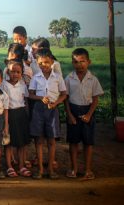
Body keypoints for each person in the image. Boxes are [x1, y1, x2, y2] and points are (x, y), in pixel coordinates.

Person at [64, 48, 104, 180]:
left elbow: (95, 99)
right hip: (73, 111)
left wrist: (89, 114)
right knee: (73, 142)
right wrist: (69, 115)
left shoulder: (93, 79)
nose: (79, 64)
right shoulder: (69, 78)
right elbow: (65, 98)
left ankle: (87, 170)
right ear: (72, 63)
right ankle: (74, 169)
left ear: (89, 62)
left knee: (88, 143)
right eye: (76, 62)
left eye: (82, 61)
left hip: (88, 112)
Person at [28, 48, 67, 179]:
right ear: (37, 63)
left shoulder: (57, 77)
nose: (43, 65)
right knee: (38, 141)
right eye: (40, 63)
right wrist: (40, 98)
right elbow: (31, 94)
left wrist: (56, 103)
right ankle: (40, 169)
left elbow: (64, 94)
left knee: (51, 141)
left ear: (52, 62)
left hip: (52, 109)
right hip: (38, 109)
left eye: (46, 62)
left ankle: (50, 169)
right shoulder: (35, 77)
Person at [1, 60, 32, 178]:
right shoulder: (3, 84)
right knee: (8, 142)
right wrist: (5, 121)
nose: (15, 74)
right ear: (8, 72)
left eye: (18, 72)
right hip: (8, 114)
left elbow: (26, 101)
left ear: (21, 73)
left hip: (21, 115)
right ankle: (9, 166)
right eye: (12, 71)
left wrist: (27, 115)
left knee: (22, 143)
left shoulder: (23, 85)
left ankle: (21, 166)